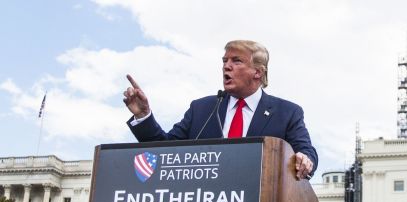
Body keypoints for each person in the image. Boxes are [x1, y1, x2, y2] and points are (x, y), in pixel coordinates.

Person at [123, 40, 318, 180]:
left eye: (236, 61)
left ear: (258, 72)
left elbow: (307, 152)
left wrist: (304, 160)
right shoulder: (202, 109)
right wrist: (143, 115)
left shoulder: (287, 112)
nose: (227, 66)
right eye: (225, 61)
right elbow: (165, 151)